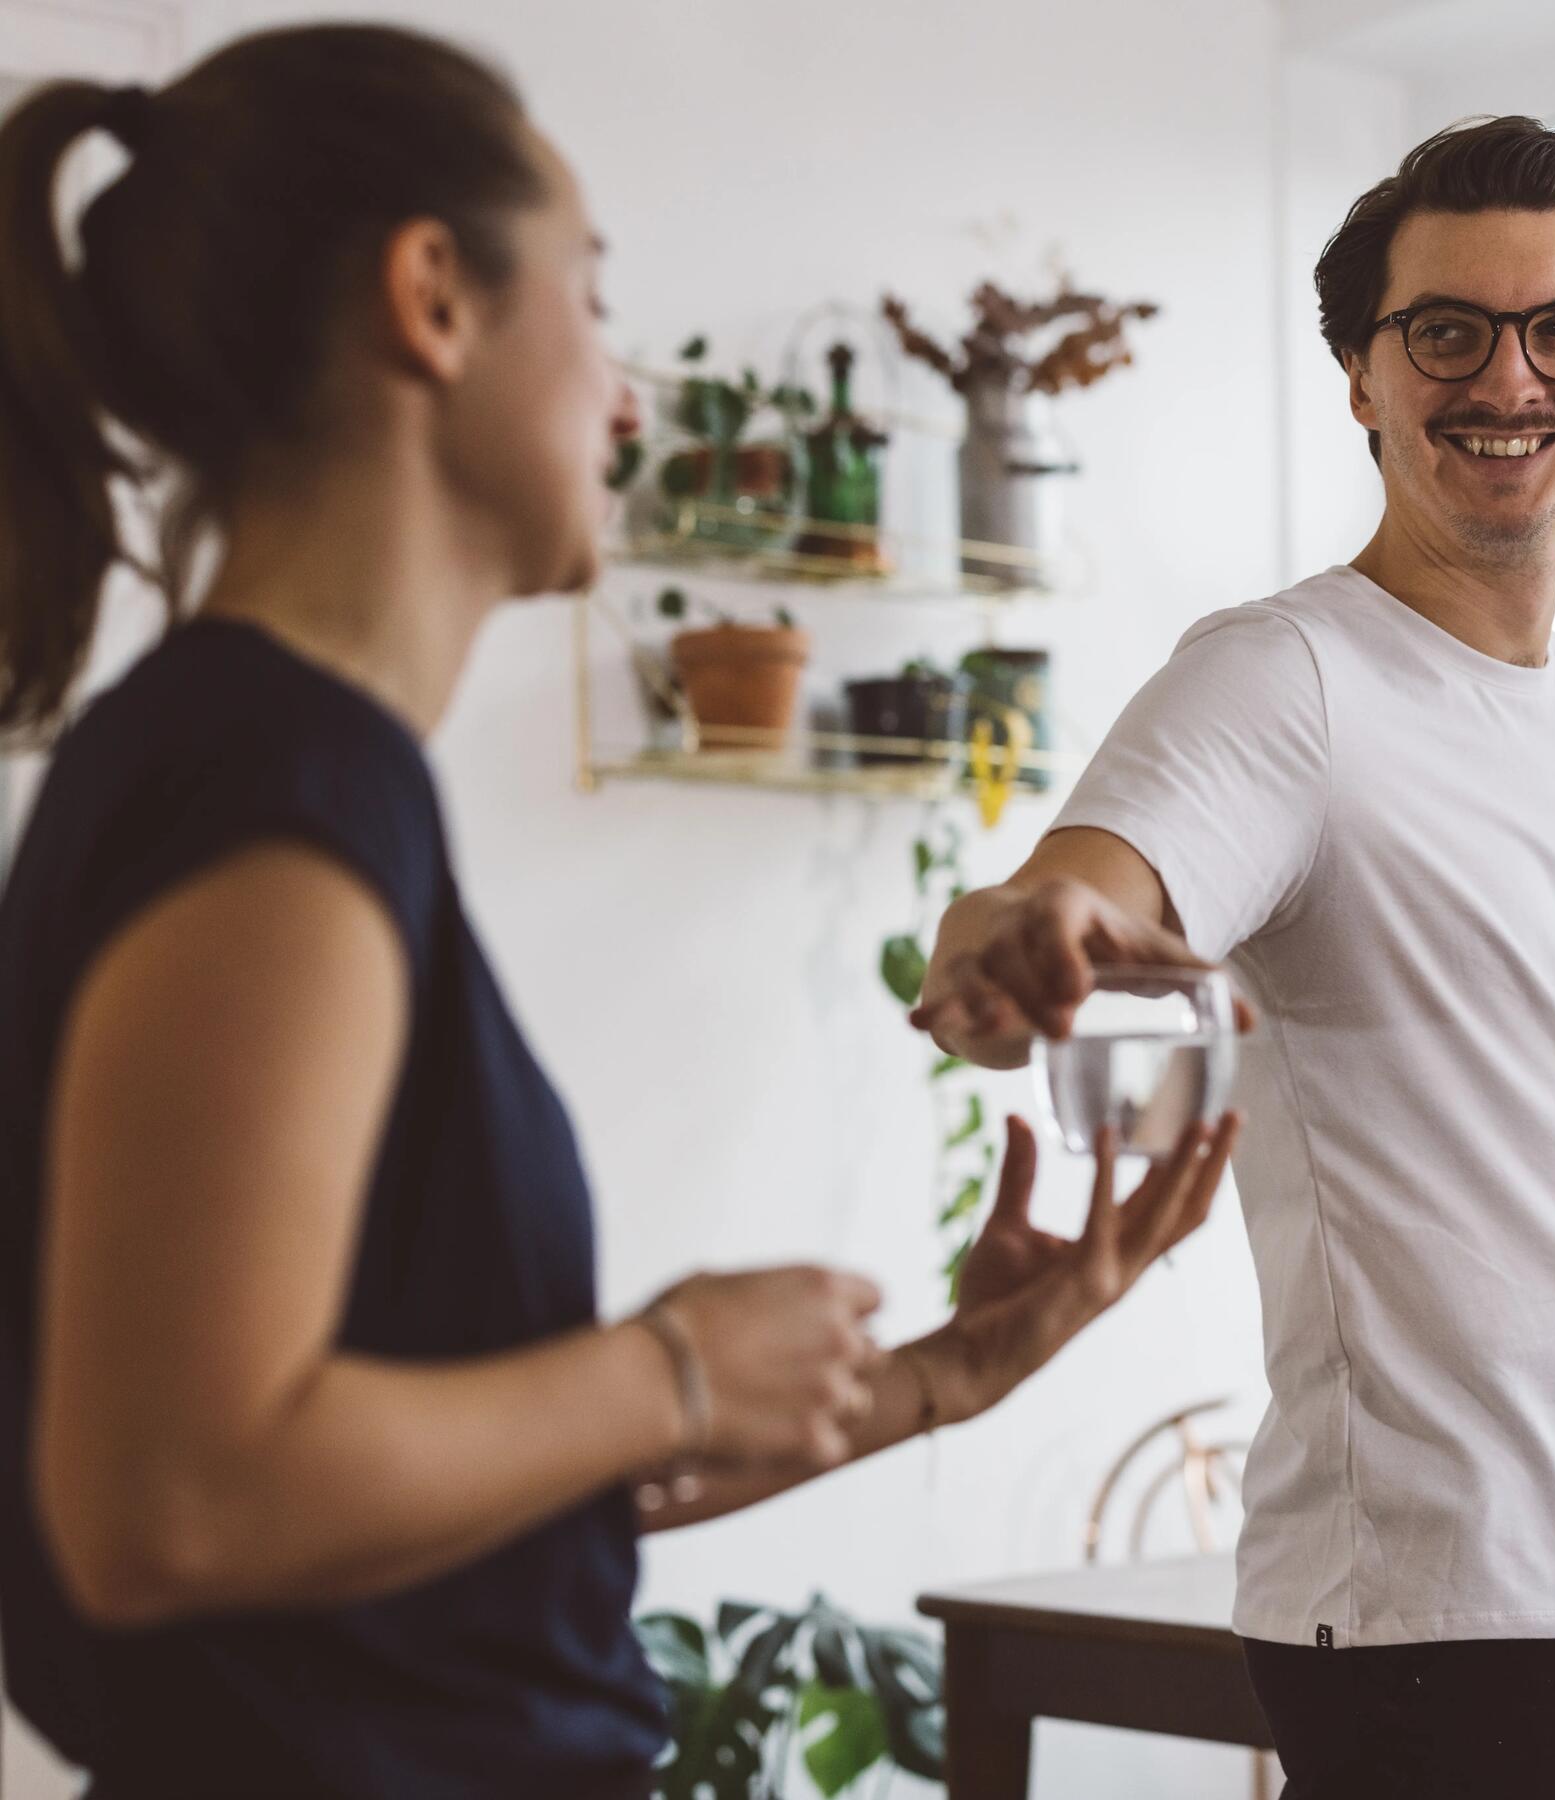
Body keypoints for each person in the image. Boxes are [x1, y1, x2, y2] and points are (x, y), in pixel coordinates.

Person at [0, 24, 1242, 1798]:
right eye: (592, 297)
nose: (633, 395)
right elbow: (172, 1502)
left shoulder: (276, 766)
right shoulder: (269, 781)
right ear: (433, 297)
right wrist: (664, 1366)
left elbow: (430, 1505)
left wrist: (954, 1373)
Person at [917, 117, 1555, 1798]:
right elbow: (1083, 896)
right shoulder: (1284, 680)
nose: (1511, 379)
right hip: (1430, 1620)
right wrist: (1014, 940)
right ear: (1360, 375)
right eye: (1446, 332)